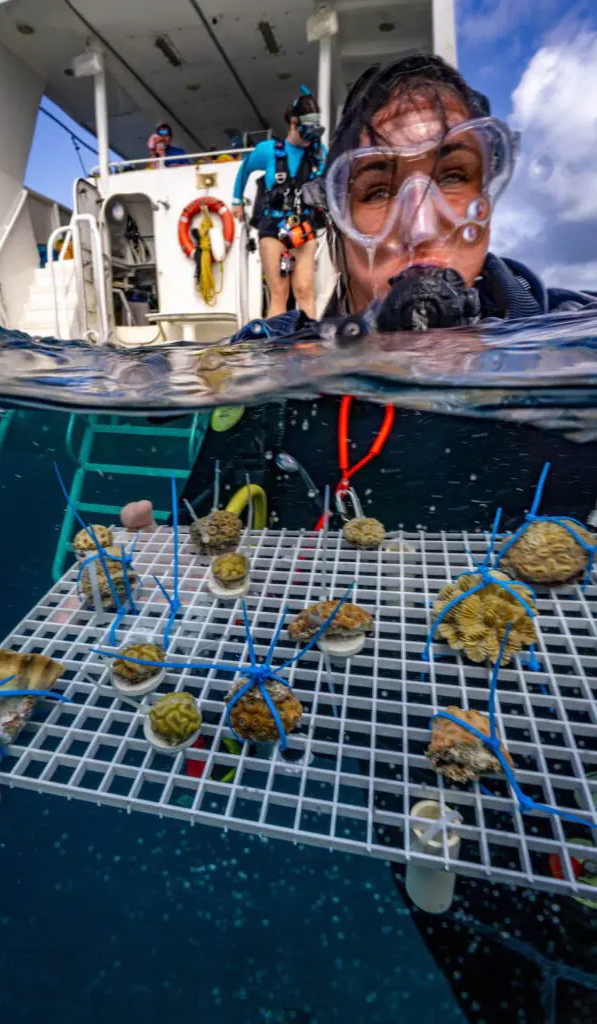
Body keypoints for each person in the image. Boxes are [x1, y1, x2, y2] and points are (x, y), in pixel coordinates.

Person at [131, 56, 597, 1019]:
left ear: (488, 201)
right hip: (396, 797)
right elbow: (205, 542)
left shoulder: (567, 345)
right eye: (376, 189)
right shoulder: (282, 382)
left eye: (455, 176)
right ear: (333, 218)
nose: (422, 222)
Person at [231, 89, 326, 318]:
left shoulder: (319, 153)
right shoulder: (269, 151)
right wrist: (236, 202)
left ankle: (309, 345)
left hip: (303, 227)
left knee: (304, 290)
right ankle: (278, 348)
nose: (310, 139)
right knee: (279, 293)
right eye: (306, 132)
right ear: (293, 123)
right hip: (274, 226)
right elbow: (244, 170)